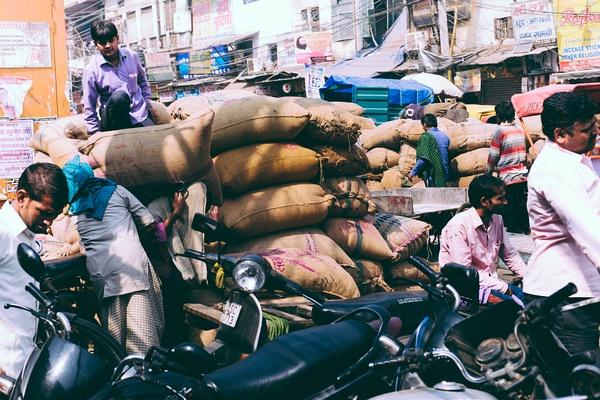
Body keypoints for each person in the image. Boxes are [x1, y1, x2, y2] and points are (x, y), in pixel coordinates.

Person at [63, 156, 185, 354]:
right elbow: (151, 224)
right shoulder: (117, 191)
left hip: (102, 275)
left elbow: (86, 245)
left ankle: (119, 376)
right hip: (132, 268)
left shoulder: (76, 211)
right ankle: (141, 378)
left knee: (114, 339)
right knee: (142, 337)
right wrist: (172, 217)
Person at [524, 92, 600, 355]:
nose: (595, 133)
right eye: (587, 129)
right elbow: (587, 228)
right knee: (578, 381)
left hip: (579, 290)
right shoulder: (555, 168)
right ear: (560, 134)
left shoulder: (574, 159)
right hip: (564, 295)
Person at [0, 163, 68, 377]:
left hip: (23, 361)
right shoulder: (2, 234)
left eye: (54, 215)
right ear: (21, 197)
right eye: (44, 213)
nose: (48, 222)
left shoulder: (28, 237)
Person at [439, 174, 526, 305]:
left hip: (491, 283)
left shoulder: (497, 220)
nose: (505, 202)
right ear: (484, 201)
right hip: (466, 287)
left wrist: (528, 278)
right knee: (513, 307)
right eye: (500, 199)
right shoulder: (458, 226)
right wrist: (504, 288)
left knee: (531, 301)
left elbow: (510, 255)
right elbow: (465, 272)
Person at [82, 20, 155, 134]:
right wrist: (95, 134)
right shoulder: (91, 70)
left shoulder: (132, 56)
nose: (108, 46)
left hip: (139, 114)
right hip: (112, 120)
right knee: (120, 97)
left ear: (117, 38)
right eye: (102, 43)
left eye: (111, 40)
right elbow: (89, 106)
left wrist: (147, 104)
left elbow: (143, 82)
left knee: (156, 140)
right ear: (96, 45)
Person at [487, 100, 529, 233]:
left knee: (509, 210)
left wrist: (487, 174)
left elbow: (493, 157)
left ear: (499, 115)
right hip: (523, 176)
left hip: (508, 177)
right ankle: (525, 231)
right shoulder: (520, 129)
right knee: (521, 207)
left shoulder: (500, 132)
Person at [408, 113, 450, 187]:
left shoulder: (426, 137)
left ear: (424, 124)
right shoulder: (445, 137)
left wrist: (413, 172)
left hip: (433, 176)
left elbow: (423, 159)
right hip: (444, 174)